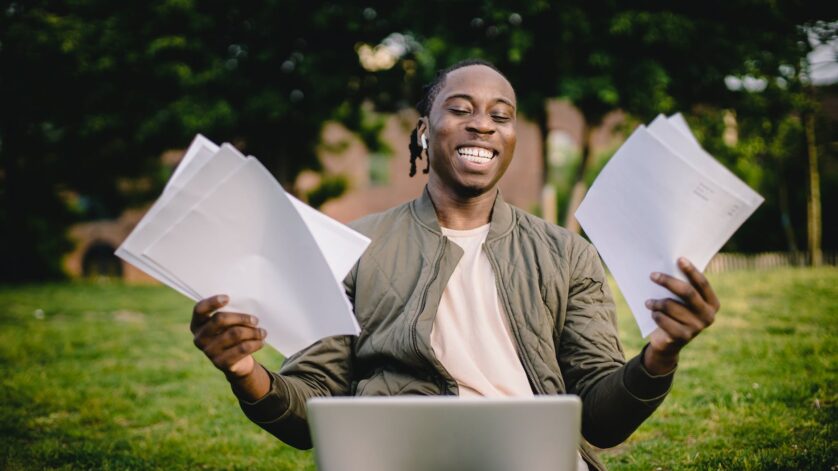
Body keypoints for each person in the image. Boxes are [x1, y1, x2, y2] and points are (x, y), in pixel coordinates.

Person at [189, 59, 720, 470]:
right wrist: (244, 372)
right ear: (425, 130)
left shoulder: (567, 254)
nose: (482, 125)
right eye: (461, 109)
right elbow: (312, 410)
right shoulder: (353, 246)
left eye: (500, 115)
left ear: (511, 139)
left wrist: (660, 355)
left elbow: (603, 419)